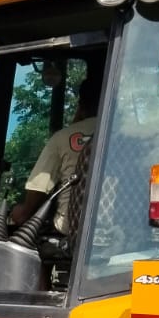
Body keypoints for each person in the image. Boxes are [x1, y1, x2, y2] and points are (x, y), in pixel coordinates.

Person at [9, 75, 100, 235]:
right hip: (118, 233)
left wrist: (21, 212)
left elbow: (38, 189)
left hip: (71, 234)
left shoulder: (63, 137)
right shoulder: (124, 135)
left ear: (81, 103)